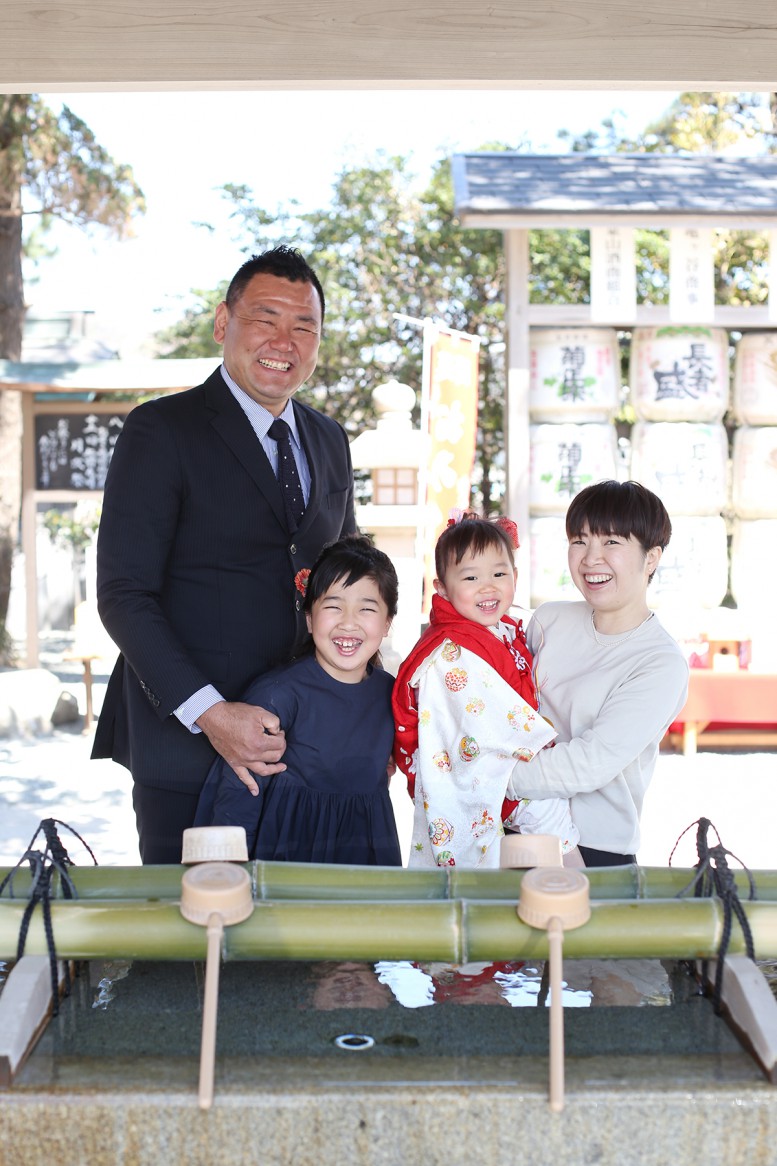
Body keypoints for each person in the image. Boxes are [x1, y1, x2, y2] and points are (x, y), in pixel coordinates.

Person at [92, 245, 356, 864]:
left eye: (304, 326)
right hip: (185, 743)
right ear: (223, 324)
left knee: (299, 945)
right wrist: (210, 713)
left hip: (301, 744)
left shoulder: (329, 438)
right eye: (266, 318)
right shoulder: (160, 430)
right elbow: (123, 594)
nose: (284, 340)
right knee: (191, 944)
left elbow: (344, 578)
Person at [511, 479, 689, 867]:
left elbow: (590, 763)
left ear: (652, 557)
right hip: (510, 831)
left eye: (611, 542)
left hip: (595, 850)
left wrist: (489, 777)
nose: (591, 558)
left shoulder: (659, 662)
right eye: (579, 540)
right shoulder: (548, 620)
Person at [195, 534, 402, 865]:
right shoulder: (277, 695)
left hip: (366, 854)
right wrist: (227, 870)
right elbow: (239, 792)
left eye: (366, 609)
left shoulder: (394, 695)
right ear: (309, 617)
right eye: (333, 606)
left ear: (388, 622)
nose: (348, 622)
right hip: (289, 856)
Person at [393, 512, 581, 869]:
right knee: (553, 827)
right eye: (470, 577)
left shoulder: (504, 628)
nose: (488, 586)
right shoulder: (451, 652)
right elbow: (475, 717)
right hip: (484, 769)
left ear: (515, 576)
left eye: (499, 573)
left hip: (507, 765)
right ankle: (582, 901)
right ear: (442, 589)